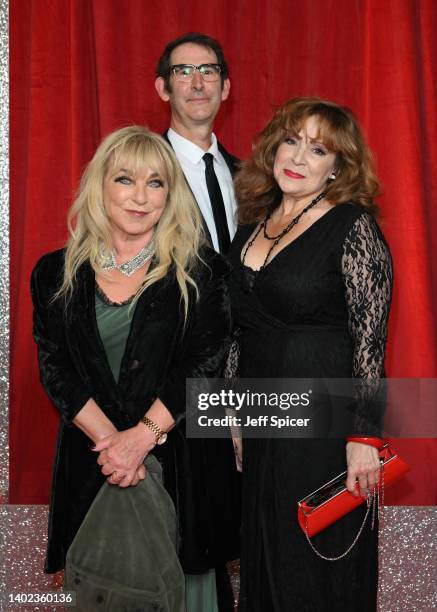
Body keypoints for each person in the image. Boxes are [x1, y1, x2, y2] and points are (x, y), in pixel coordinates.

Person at [31, 126, 240, 610]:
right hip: (94, 465)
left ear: (171, 194)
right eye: (125, 180)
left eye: (156, 182)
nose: (141, 197)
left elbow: (203, 366)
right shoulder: (54, 273)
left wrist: (141, 439)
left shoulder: (202, 271)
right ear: (100, 185)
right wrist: (115, 449)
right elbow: (56, 369)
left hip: (180, 468)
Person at [228, 98, 393, 611]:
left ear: (337, 167)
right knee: (264, 549)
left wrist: (364, 436)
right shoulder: (251, 225)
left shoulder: (352, 226)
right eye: (291, 140)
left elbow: (371, 340)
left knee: (314, 558)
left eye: (317, 148)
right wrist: (232, 414)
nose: (298, 156)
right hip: (257, 419)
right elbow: (236, 333)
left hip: (322, 422)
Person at [155, 32, 238, 254]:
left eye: (208, 71)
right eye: (183, 72)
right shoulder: (146, 170)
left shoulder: (248, 176)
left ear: (225, 88)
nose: (198, 84)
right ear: (163, 89)